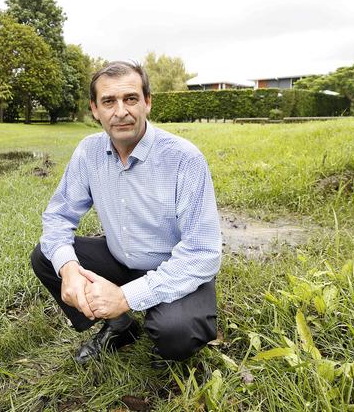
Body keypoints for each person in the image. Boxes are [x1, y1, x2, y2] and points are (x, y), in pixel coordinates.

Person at [31, 60, 221, 365]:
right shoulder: (89, 151)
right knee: (47, 255)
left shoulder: (184, 159)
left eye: (130, 99)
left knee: (177, 331)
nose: (121, 111)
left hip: (174, 265)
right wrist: (68, 269)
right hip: (121, 258)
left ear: (147, 102)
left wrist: (125, 297)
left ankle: (163, 330)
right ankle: (121, 326)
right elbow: (58, 217)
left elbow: (203, 252)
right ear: (95, 109)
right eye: (109, 101)